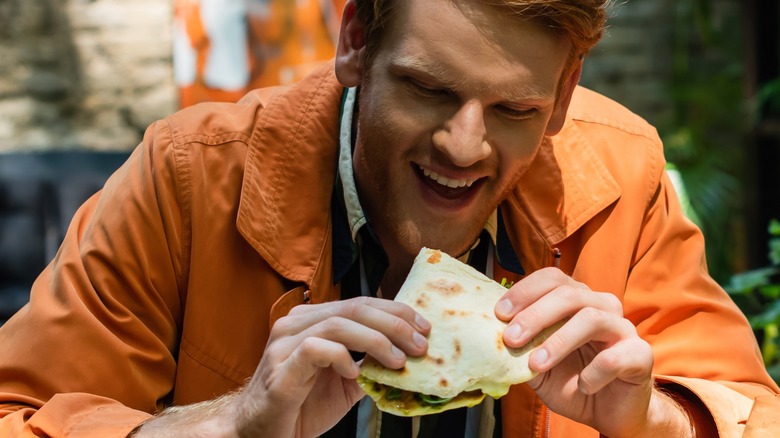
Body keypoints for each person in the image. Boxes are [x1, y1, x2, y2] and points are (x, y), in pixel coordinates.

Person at [0, 0, 777, 436]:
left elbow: (754, 414)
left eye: (515, 109)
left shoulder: (620, 177)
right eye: (429, 90)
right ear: (356, 41)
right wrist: (226, 427)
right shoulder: (187, 176)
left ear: (566, 92)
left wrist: (653, 421)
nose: (463, 146)